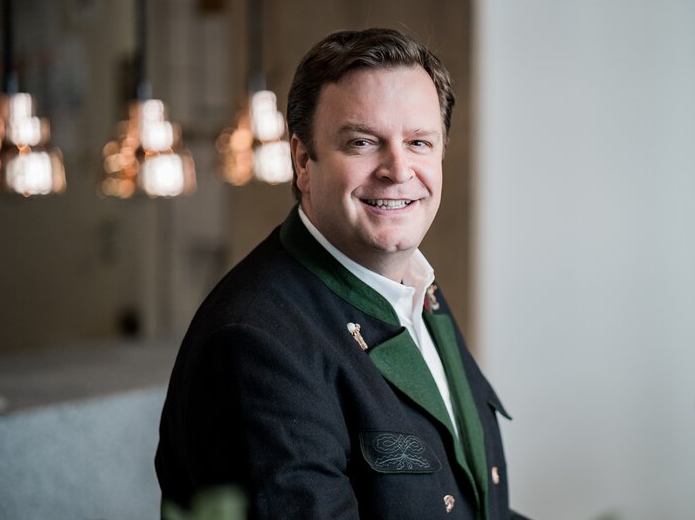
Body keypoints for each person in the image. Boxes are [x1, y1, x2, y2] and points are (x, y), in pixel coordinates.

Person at [156, 28, 526, 520]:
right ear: (303, 161)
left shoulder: (413, 286)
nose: (398, 169)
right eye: (363, 142)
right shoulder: (256, 344)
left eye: (419, 141)